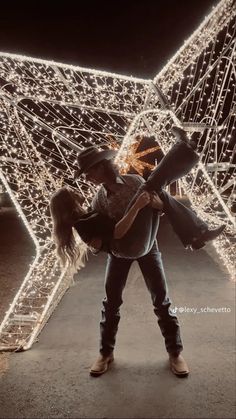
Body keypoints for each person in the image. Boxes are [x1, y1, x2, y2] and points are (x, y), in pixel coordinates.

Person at [50, 127, 224, 378]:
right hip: (120, 252)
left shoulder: (133, 181)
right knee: (111, 303)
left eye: (89, 171)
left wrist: (156, 204)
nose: (87, 178)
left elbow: (160, 209)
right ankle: (105, 353)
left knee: (161, 300)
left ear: (101, 167)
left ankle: (175, 353)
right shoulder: (98, 200)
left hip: (147, 245)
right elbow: (107, 234)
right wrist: (97, 242)